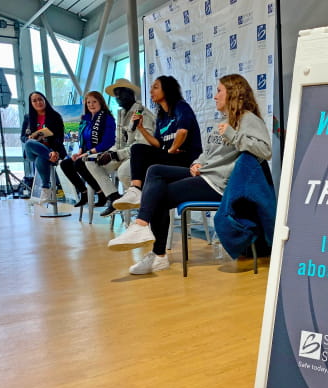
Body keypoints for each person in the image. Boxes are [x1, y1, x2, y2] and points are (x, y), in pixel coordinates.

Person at [108, 73, 272, 275]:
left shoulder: (248, 118)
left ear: (233, 93)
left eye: (219, 90)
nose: (215, 96)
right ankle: (143, 228)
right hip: (204, 175)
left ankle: (154, 249)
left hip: (219, 184)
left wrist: (232, 134)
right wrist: (196, 163)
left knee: (158, 193)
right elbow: (208, 153)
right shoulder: (225, 119)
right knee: (155, 171)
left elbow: (265, 151)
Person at [112, 75, 202, 211]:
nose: (151, 91)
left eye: (155, 87)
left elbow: (182, 131)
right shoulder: (161, 116)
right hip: (171, 157)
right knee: (139, 150)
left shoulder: (180, 107)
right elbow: (158, 144)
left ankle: (138, 192)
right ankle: (138, 192)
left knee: (141, 154)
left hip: (187, 159)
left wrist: (171, 150)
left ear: (167, 90)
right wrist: (141, 128)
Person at [84, 78, 155, 217]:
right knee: (91, 161)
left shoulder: (142, 114)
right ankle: (114, 197)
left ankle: (144, 210)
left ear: (131, 93)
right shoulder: (122, 114)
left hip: (140, 157)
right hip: (123, 155)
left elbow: (142, 146)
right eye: (116, 94)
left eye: (121, 93)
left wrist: (114, 155)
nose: (118, 97)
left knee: (123, 171)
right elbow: (119, 142)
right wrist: (110, 153)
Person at [59, 91, 116, 207]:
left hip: (101, 153)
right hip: (87, 153)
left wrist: (88, 153)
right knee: (65, 164)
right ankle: (83, 193)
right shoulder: (86, 120)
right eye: (88, 102)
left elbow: (108, 142)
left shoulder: (107, 118)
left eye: (94, 101)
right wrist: (79, 152)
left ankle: (101, 193)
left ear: (101, 102)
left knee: (79, 164)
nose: (91, 104)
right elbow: (83, 139)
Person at [21, 92, 67, 204]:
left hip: (53, 150)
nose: (38, 102)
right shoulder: (28, 118)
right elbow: (22, 137)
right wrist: (30, 137)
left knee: (41, 159)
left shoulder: (55, 116)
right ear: (31, 103)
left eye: (40, 99)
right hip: (33, 150)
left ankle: (46, 188)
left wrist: (55, 151)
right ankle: (49, 155)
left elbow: (59, 137)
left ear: (45, 100)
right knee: (29, 143)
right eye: (34, 100)